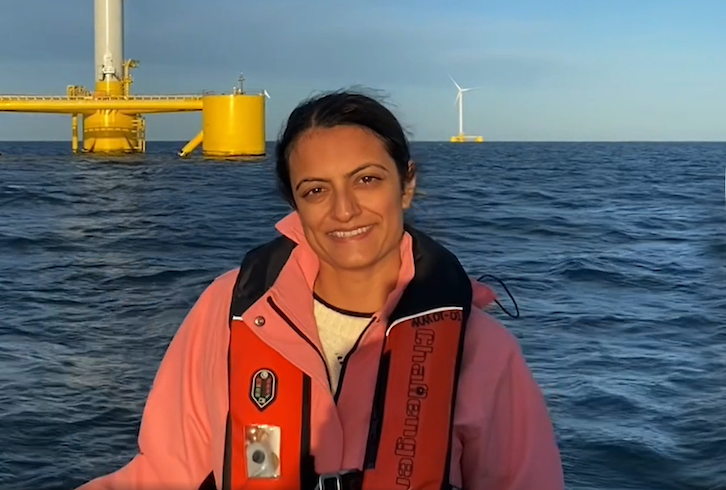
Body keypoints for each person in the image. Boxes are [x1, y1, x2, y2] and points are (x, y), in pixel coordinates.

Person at [76, 90, 566, 490]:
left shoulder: (479, 348)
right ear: (294, 202)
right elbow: (165, 474)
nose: (344, 209)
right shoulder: (231, 309)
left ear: (406, 184)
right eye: (316, 190)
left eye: (367, 180)